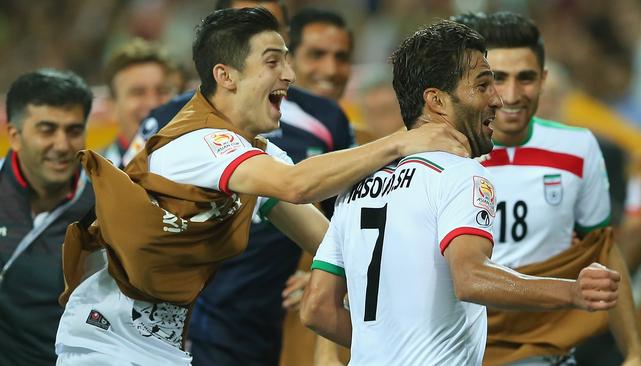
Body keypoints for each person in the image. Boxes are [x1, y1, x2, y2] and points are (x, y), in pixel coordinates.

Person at [54, 8, 468, 365]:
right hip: (105, 341)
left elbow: (328, 239)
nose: (289, 74)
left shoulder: (259, 156)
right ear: (226, 76)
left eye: (286, 60)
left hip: (159, 348)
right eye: (273, 62)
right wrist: (401, 140)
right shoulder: (198, 140)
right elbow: (295, 185)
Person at [300, 19, 621, 366]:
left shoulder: (357, 187)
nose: (497, 99)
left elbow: (317, 308)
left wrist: (383, 349)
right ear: (437, 101)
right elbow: (471, 278)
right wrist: (571, 291)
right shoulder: (461, 174)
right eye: (483, 85)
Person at [451, 12, 641, 365]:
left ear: (543, 79)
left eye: (525, 78)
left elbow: (602, 251)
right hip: (457, 344)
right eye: (497, 79)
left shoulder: (578, 148)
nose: (511, 95)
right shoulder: (444, 154)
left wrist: (633, 352)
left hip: (543, 347)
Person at [0, 69, 95, 365]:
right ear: (15, 136)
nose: (63, 145)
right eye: (47, 129)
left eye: (74, 130)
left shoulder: (105, 208)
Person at [103, 38, 175, 165]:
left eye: (162, 91)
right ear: (112, 107)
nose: (153, 103)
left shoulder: (204, 164)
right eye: (138, 93)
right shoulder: (93, 175)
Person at [287, 7, 352, 101]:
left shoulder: (350, 114)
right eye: (316, 55)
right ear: (287, 60)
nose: (331, 70)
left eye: (341, 57)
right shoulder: (266, 115)